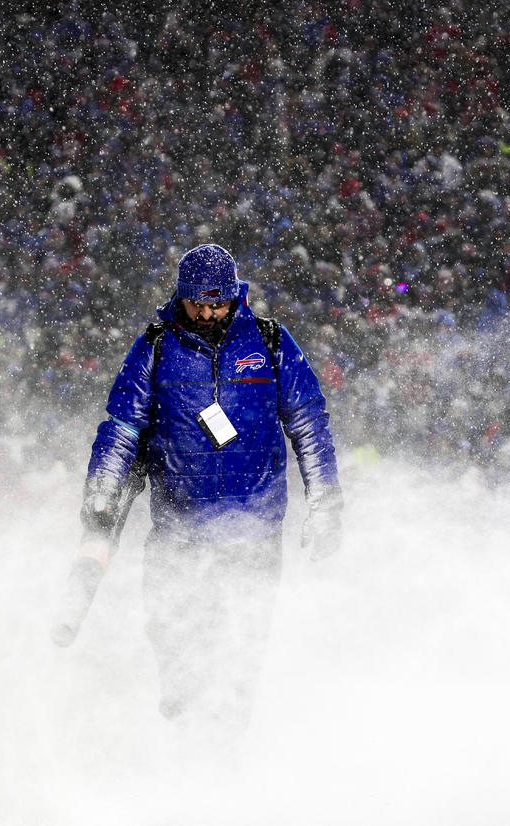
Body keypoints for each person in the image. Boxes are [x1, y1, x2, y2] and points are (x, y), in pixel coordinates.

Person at [81, 243, 342, 735]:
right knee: (169, 630)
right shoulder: (156, 346)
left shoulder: (269, 342)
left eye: (216, 302)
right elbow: (121, 426)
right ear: (179, 296)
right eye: (195, 302)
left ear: (235, 296)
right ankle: (181, 714)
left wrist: (326, 503)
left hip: (255, 531)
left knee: (243, 646)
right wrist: (102, 488)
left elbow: (309, 422)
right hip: (178, 530)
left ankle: (227, 748)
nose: (206, 312)